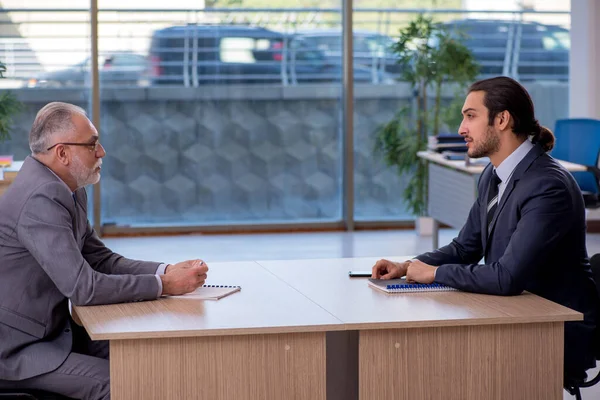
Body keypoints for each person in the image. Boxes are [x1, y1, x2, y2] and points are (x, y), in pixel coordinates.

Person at [372, 76, 599, 385]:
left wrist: (435, 274)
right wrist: (408, 266)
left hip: (555, 329)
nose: (461, 128)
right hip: (513, 314)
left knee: (432, 362)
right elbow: (465, 247)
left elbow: (507, 277)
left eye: (470, 116)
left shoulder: (548, 186)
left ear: (502, 119)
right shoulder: (493, 173)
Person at [0, 102, 209, 400]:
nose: (102, 152)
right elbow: (83, 288)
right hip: (18, 350)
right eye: (92, 144)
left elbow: (101, 259)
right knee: (125, 383)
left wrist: (165, 270)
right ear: (62, 153)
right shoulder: (40, 198)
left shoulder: (67, 188)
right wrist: (165, 285)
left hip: (53, 335)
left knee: (155, 355)